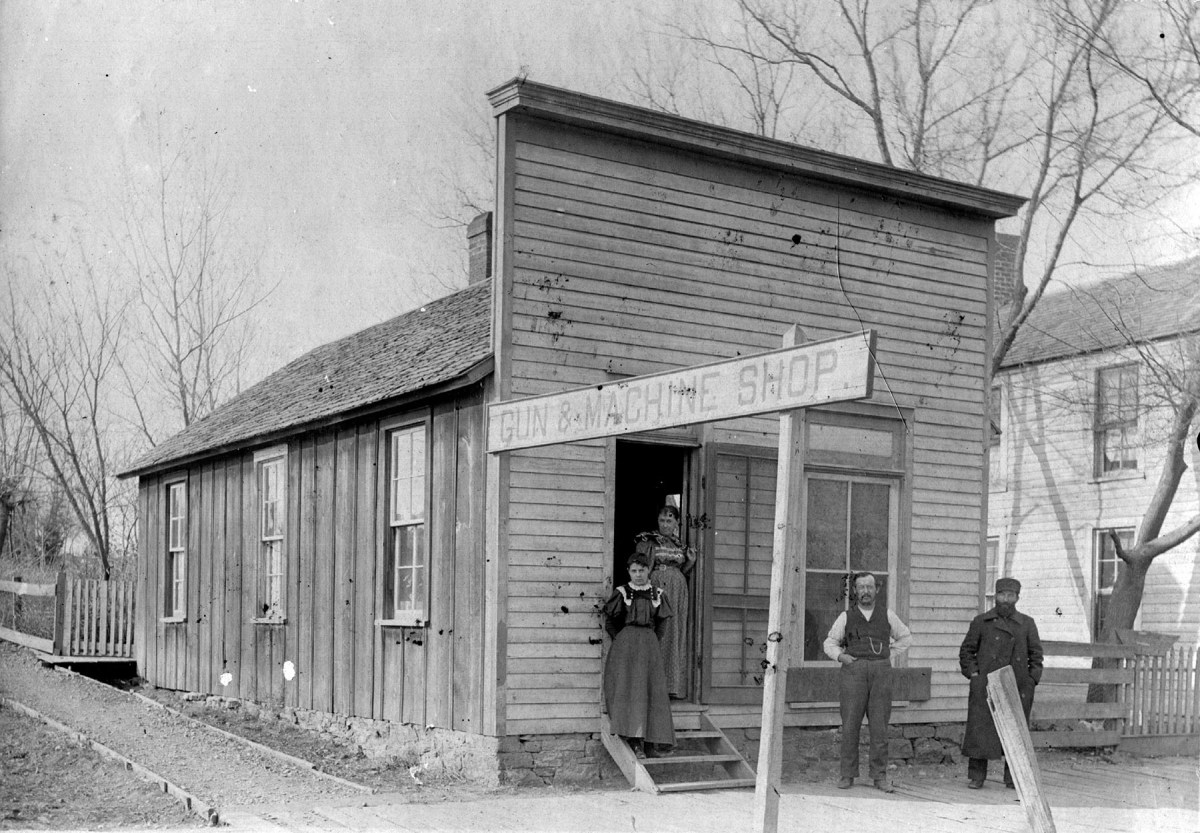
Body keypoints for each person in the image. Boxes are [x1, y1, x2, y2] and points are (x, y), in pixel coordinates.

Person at [823, 571, 912, 793]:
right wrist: (842, 657)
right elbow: (830, 642)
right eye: (861, 587)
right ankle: (847, 774)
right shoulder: (846, 616)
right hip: (853, 672)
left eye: (869, 587)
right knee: (850, 724)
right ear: (855, 591)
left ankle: (879, 776)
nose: (865, 591)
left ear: (877, 590)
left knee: (879, 726)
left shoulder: (888, 615)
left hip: (881, 672)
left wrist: (888, 654)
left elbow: (906, 637)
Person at [958, 577, 1043, 790]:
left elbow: (1036, 655)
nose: (1006, 599)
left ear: (1017, 598)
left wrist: (1031, 680)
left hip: (1017, 685)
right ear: (995, 596)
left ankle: (1013, 777)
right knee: (980, 730)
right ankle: (977, 776)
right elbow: (967, 651)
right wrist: (975, 675)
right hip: (986, 683)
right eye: (1002, 595)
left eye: (1011, 595)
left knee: (1015, 730)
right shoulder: (981, 622)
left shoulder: (1027, 624)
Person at [602, 552, 676, 757]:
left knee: (651, 690)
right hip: (625, 646)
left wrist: (651, 641)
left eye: (642, 570)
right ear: (628, 572)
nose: (638, 575)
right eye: (634, 571)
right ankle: (634, 740)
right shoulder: (622, 592)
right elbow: (609, 621)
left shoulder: (657, 593)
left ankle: (651, 741)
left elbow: (662, 623)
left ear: (649, 570)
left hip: (649, 646)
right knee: (631, 689)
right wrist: (621, 639)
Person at [634, 504, 696, 699]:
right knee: (658, 632)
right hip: (657, 589)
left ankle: (671, 686)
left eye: (669, 521)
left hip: (678, 591)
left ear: (677, 523)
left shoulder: (679, 545)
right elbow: (640, 566)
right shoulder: (649, 541)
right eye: (662, 520)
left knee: (674, 633)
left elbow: (681, 572)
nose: (665, 525)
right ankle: (651, 686)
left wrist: (691, 562)